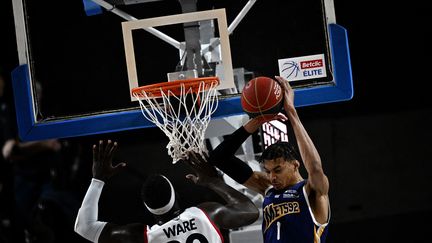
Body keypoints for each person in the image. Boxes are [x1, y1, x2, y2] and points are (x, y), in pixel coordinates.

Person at [208, 76, 330, 242]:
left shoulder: (312, 191)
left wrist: (291, 113)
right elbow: (219, 158)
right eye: (268, 171)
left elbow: (315, 167)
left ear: (295, 165)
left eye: (278, 170)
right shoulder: (267, 187)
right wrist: (256, 122)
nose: (272, 177)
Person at [74, 140, 259, 243]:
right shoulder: (206, 214)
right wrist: (214, 182)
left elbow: (84, 227)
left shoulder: (141, 237)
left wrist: (98, 180)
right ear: (177, 196)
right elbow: (250, 211)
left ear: (147, 209)